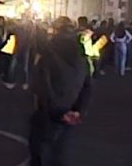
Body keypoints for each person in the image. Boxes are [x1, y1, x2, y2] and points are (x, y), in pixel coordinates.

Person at [28, 17, 92, 166]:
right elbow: (87, 86)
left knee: (40, 151)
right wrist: (78, 110)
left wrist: (48, 107)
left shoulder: (49, 54)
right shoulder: (82, 57)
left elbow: (41, 84)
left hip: (49, 111)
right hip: (70, 111)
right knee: (61, 153)